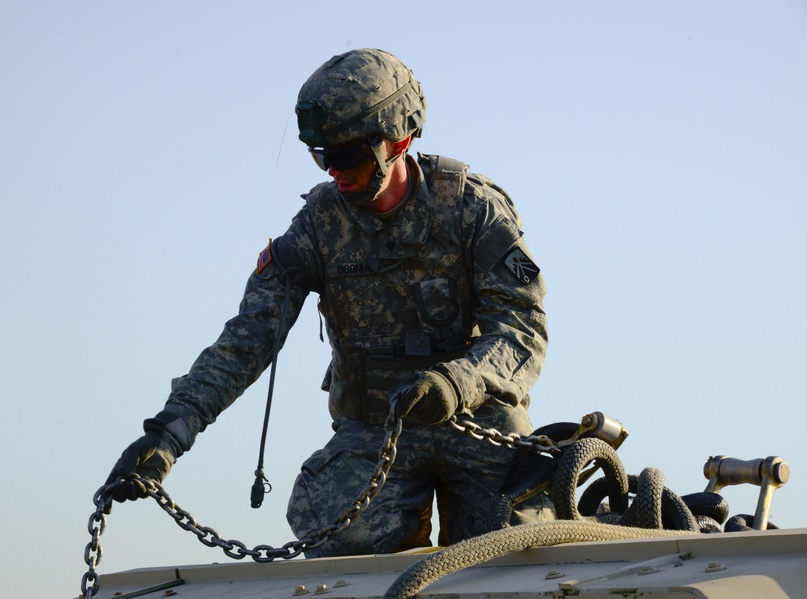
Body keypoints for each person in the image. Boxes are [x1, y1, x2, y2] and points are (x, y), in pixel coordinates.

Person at [106, 48, 550, 557]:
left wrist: (456, 383)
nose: (333, 171)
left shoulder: (474, 211)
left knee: (516, 542)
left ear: (398, 139)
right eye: (320, 155)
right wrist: (171, 432)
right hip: (374, 430)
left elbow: (521, 329)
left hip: (478, 422)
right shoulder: (318, 230)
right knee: (336, 530)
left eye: (347, 156)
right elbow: (245, 341)